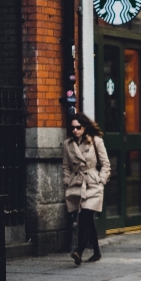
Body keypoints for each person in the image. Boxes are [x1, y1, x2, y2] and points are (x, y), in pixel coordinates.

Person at [62, 113, 110, 265]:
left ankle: (79, 251)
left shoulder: (95, 141)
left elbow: (105, 164)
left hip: (93, 184)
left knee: (85, 216)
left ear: (84, 127)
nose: (75, 130)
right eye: (73, 128)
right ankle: (96, 252)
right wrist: (67, 181)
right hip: (77, 184)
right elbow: (66, 166)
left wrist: (101, 180)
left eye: (78, 127)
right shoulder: (68, 144)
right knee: (87, 218)